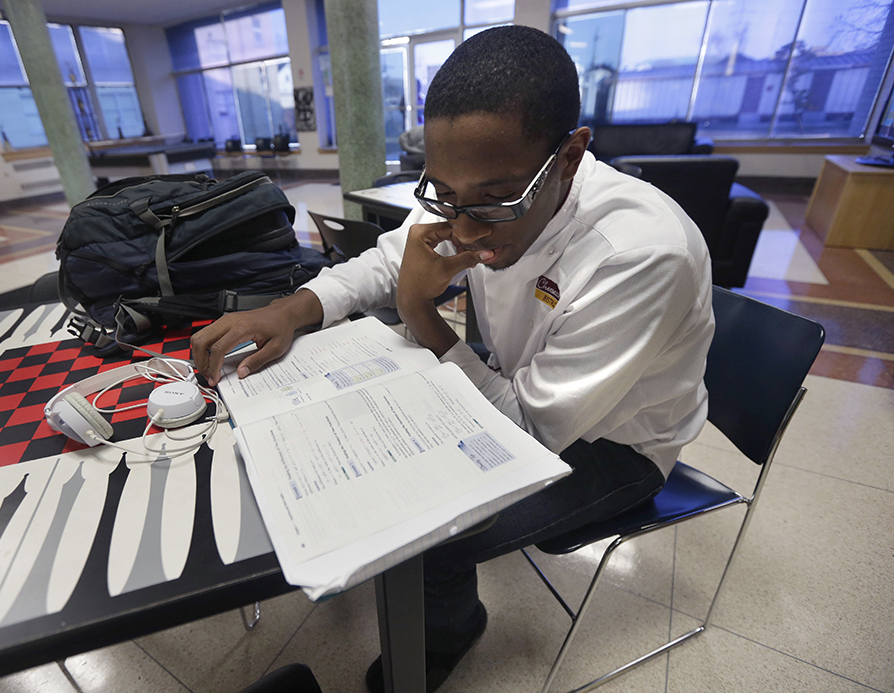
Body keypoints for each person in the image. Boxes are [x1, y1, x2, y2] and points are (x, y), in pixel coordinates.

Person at [191, 25, 714, 693]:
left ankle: (448, 631)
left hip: (615, 443)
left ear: (570, 158)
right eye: (445, 194)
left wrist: (422, 317)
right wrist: (292, 308)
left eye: (494, 201)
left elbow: (526, 433)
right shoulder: (473, 189)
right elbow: (397, 255)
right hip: (516, 386)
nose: (463, 230)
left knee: (428, 532)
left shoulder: (638, 253)